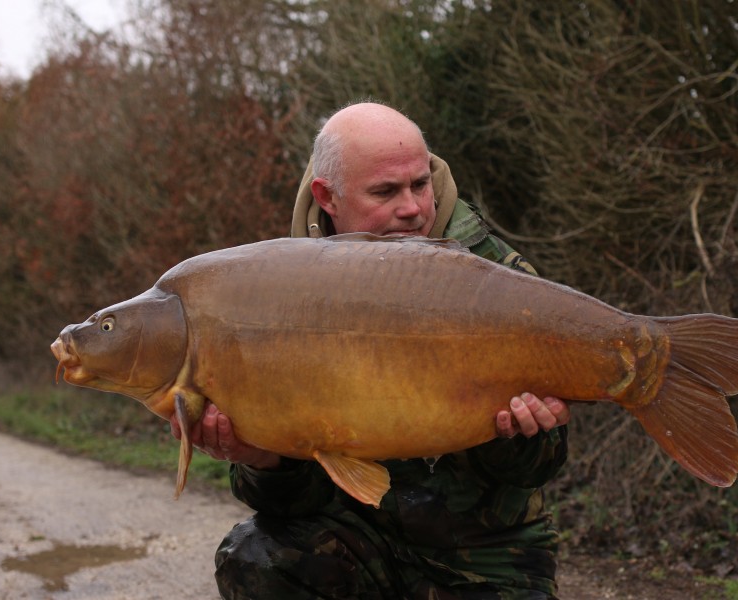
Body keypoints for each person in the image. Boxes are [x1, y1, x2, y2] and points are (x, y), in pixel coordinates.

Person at [172, 102, 572, 599]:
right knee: (256, 559)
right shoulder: (276, 290)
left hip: (486, 551)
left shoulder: (498, 276)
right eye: (385, 192)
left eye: (420, 185)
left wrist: (517, 435)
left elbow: (542, 466)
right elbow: (288, 504)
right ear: (328, 197)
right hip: (355, 539)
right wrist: (262, 459)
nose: (412, 208)